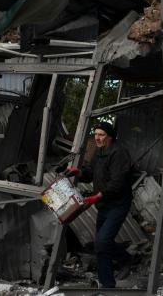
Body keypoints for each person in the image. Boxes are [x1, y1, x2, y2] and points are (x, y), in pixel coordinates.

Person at [65, 121, 135, 288]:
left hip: (118, 204)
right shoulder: (99, 151)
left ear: (110, 137)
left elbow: (117, 183)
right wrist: (79, 172)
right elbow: (90, 174)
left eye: (101, 135)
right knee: (100, 244)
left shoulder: (119, 153)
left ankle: (126, 259)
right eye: (96, 134)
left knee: (103, 241)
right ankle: (107, 284)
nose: (97, 138)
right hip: (104, 204)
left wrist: (95, 198)